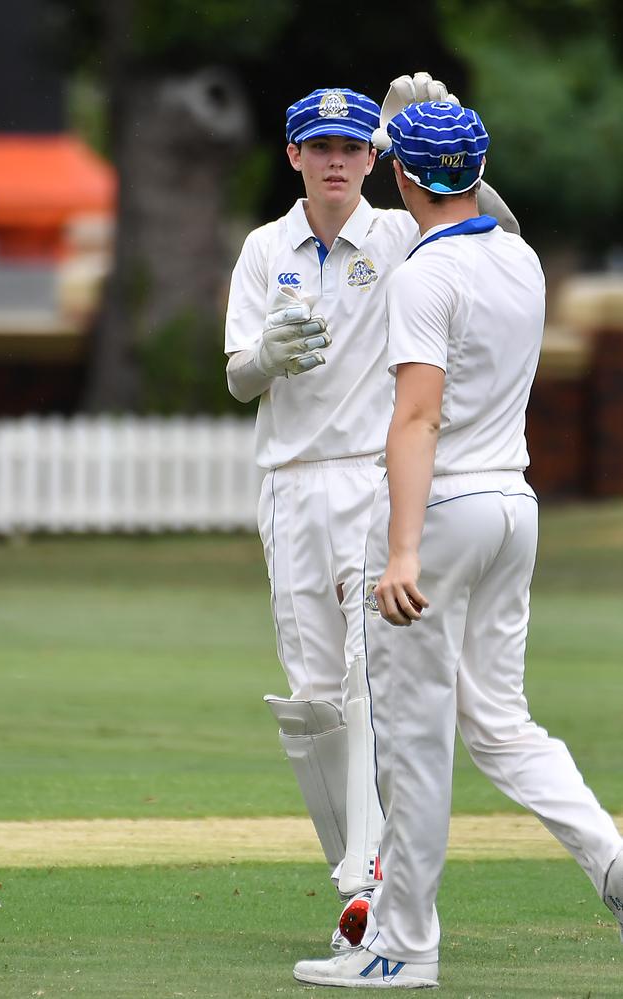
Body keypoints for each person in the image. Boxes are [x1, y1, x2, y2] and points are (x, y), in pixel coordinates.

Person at [293, 100, 623, 989]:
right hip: (513, 509)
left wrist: (400, 552)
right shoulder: (520, 256)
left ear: (398, 176)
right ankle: (613, 861)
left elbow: (417, 415)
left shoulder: (422, 279)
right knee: (500, 721)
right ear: (475, 170)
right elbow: (483, 205)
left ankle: (403, 945)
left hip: (440, 515)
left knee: (413, 734)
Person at [224, 77, 521, 949]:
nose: (338, 162)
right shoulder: (261, 248)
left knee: (367, 680)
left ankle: (381, 883)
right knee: (313, 700)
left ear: (375, 159)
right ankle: (357, 876)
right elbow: (238, 375)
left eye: (355, 148)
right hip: (287, 482)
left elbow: (494, 229)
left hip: (371, 476)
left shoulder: (398, 235)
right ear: (295, 156)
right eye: (321, 148)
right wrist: (268, 356)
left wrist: (443, 144)